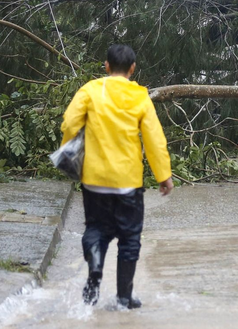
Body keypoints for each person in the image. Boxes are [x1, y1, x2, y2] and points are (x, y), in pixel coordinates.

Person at [60, 44, 174, 309]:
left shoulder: (90, 90)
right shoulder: (140, 96)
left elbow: (69, 123)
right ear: (132, 69)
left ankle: (95, 271)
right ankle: (124, 296)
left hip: (94, 180)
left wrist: (70, 156)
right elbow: (154, 139)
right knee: (129, 239)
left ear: (106, 65)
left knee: (96, 230)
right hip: (128, 183)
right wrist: (163, 175)